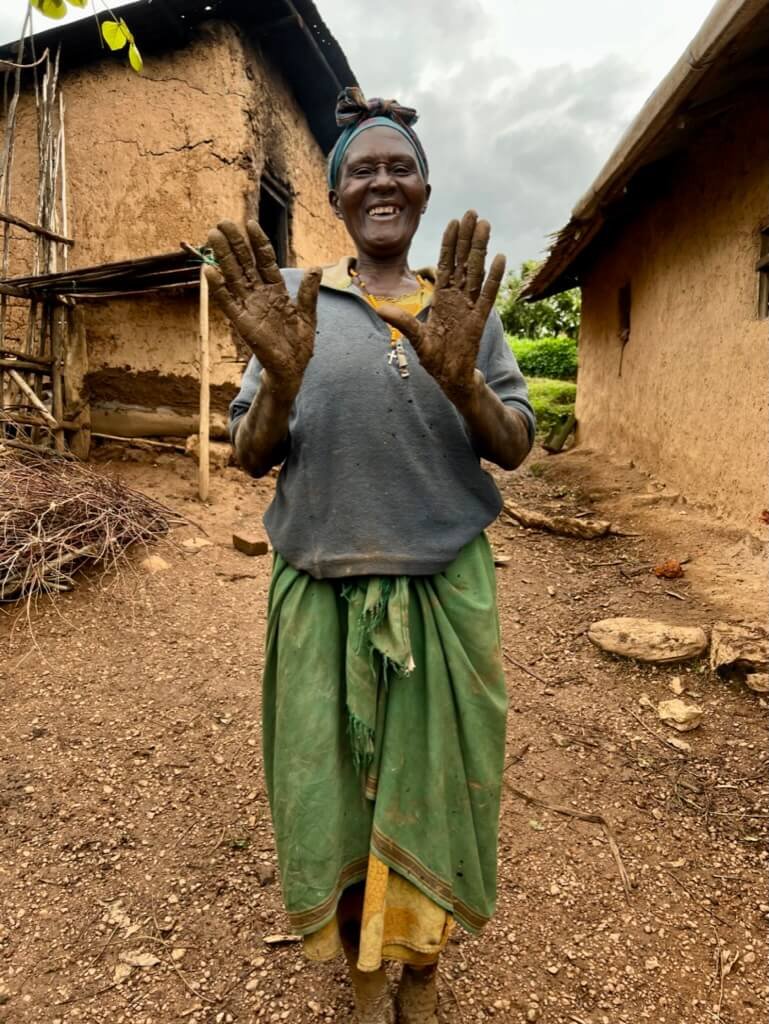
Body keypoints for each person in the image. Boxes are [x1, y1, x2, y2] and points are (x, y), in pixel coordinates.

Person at [205, 88, 535, 1024]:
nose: (381, 181)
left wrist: (465, 381)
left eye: (398, 168)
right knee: (335, 802)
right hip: (317, 591)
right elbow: (250, 453)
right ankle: (360, 977)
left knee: (438, 795)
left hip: (442, 592)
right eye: (363, 169)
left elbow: (512, 446)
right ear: (337, 194)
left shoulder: (463, 311)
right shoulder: (296, 304)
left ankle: (421, 974)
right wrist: (282, 378)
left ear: (423, 191)